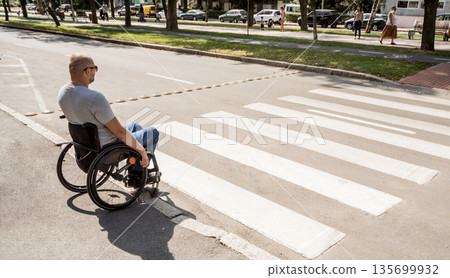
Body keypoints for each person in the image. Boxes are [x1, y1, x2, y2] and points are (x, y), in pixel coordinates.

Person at [57, 54, 159, 171]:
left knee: (135, 127)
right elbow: (120, 132)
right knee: (152, 133)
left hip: (87, 147)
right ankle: (136, 178)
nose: (95, 71)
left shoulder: (63, 92)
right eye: (95, 68)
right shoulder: (94, 98)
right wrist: (141, 150)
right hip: (106, 147)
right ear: (87, 71)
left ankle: (133, 169)